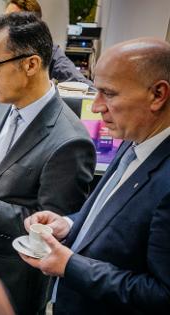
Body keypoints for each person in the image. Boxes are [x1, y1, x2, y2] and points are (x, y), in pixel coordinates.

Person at [0, 13, 96, 315]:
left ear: (30, 64)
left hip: (15, 280)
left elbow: (50, 232)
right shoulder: (2, 106)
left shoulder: (70, 141)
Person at [20, 38, 170, 314]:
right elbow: (112, 215)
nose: (97, 105)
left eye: (109, 94)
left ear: (158, 95)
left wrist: (70, 265)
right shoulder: (134, 139)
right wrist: (68, 223)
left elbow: (162, 295)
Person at [0, 0, 93, 135]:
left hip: (32, 130)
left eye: (13, 21)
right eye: (4, 18)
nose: (4, 26)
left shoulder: (49, 52)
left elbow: (81, 83)